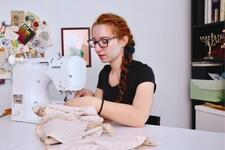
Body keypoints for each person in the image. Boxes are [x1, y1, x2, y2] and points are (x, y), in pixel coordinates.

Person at [66, 13, 156, 127]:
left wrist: (95, 103)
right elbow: (100, 114)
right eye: (95, 42)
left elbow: (139, 117)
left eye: (104, 41)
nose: (97, 49)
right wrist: (92, 97)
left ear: (123, 41)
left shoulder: (144, 72)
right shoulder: (105, 72)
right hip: (111, 136)